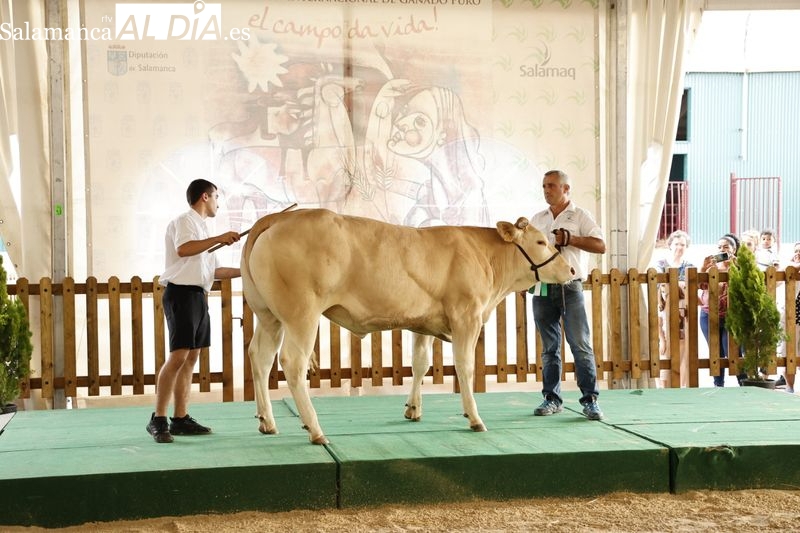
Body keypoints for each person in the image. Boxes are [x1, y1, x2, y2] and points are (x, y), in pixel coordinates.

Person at [146, 179, 242, 443]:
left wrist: (247, 269)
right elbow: (183, 249)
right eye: (216, 198)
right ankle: (158, 418)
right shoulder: (185, 221)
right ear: (204, 197)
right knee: (178, 357)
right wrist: (220, 238)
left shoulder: (202, 229)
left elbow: (214, 272)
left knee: (191, 359)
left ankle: (180, 418)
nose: (218, 204)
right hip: (180, 294)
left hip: (199, 295)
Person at [529, 170, 606, 420]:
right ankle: (551, 398)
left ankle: (590, 400)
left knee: (580, 345)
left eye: (551, 185)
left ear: (566, 188)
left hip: (570, 286)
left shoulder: (580, 214)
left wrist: (571, 238)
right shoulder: (537, 218)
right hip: (542, 287)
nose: (546, 190)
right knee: (549, 348)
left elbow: (600, 245)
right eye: (543, 186)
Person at [698, 233, 746, 387]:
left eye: (726, 247)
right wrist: (703, 268)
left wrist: (734, 266)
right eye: (719, 247)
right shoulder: (712, 267)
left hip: (730, 316)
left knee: (733, 351)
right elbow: (701, 286)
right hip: (708, 314)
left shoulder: (739, 266)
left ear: (734, 249)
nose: (722, 249)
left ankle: (744, 384)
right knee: (715, 353)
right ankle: (718, 385)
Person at [654, 230, 695, 387]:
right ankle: (664, 387)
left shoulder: (689, 265)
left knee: (684, 352)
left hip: (684, 312)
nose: (679, 247)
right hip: (664, 311)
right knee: (664, 350)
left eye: (683, 245)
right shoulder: (660, 264)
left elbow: (689, 288)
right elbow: (660, 286)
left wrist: (674, 286)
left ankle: (682, 386)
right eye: (676, 244)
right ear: (670, 245)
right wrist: (679, 285)